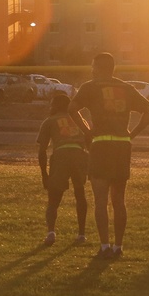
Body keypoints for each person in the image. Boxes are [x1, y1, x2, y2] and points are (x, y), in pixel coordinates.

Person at [69, 52, 149, 259]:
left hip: (101, 144)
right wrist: (132, 133)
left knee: (101, 200)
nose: (91, 70)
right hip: (122, 146)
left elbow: (72, 108)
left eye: (93, 67)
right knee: (119, 200)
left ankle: (104, 246)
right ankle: (118, 246)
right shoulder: (126, 87)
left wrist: (87, 131)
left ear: (98, 68)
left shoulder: (90, 87)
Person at [36, 94, 88, 246]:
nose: (50, 107)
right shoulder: (79, 119)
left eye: (52, 104)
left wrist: (44, 174)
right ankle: (81, 234)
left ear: (57, 105)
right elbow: (89, 140)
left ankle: (51, 233)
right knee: (80, 193)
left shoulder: (50, 121)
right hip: (79, 154)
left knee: (54, 198)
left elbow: (42, 150)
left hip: (61, 155)